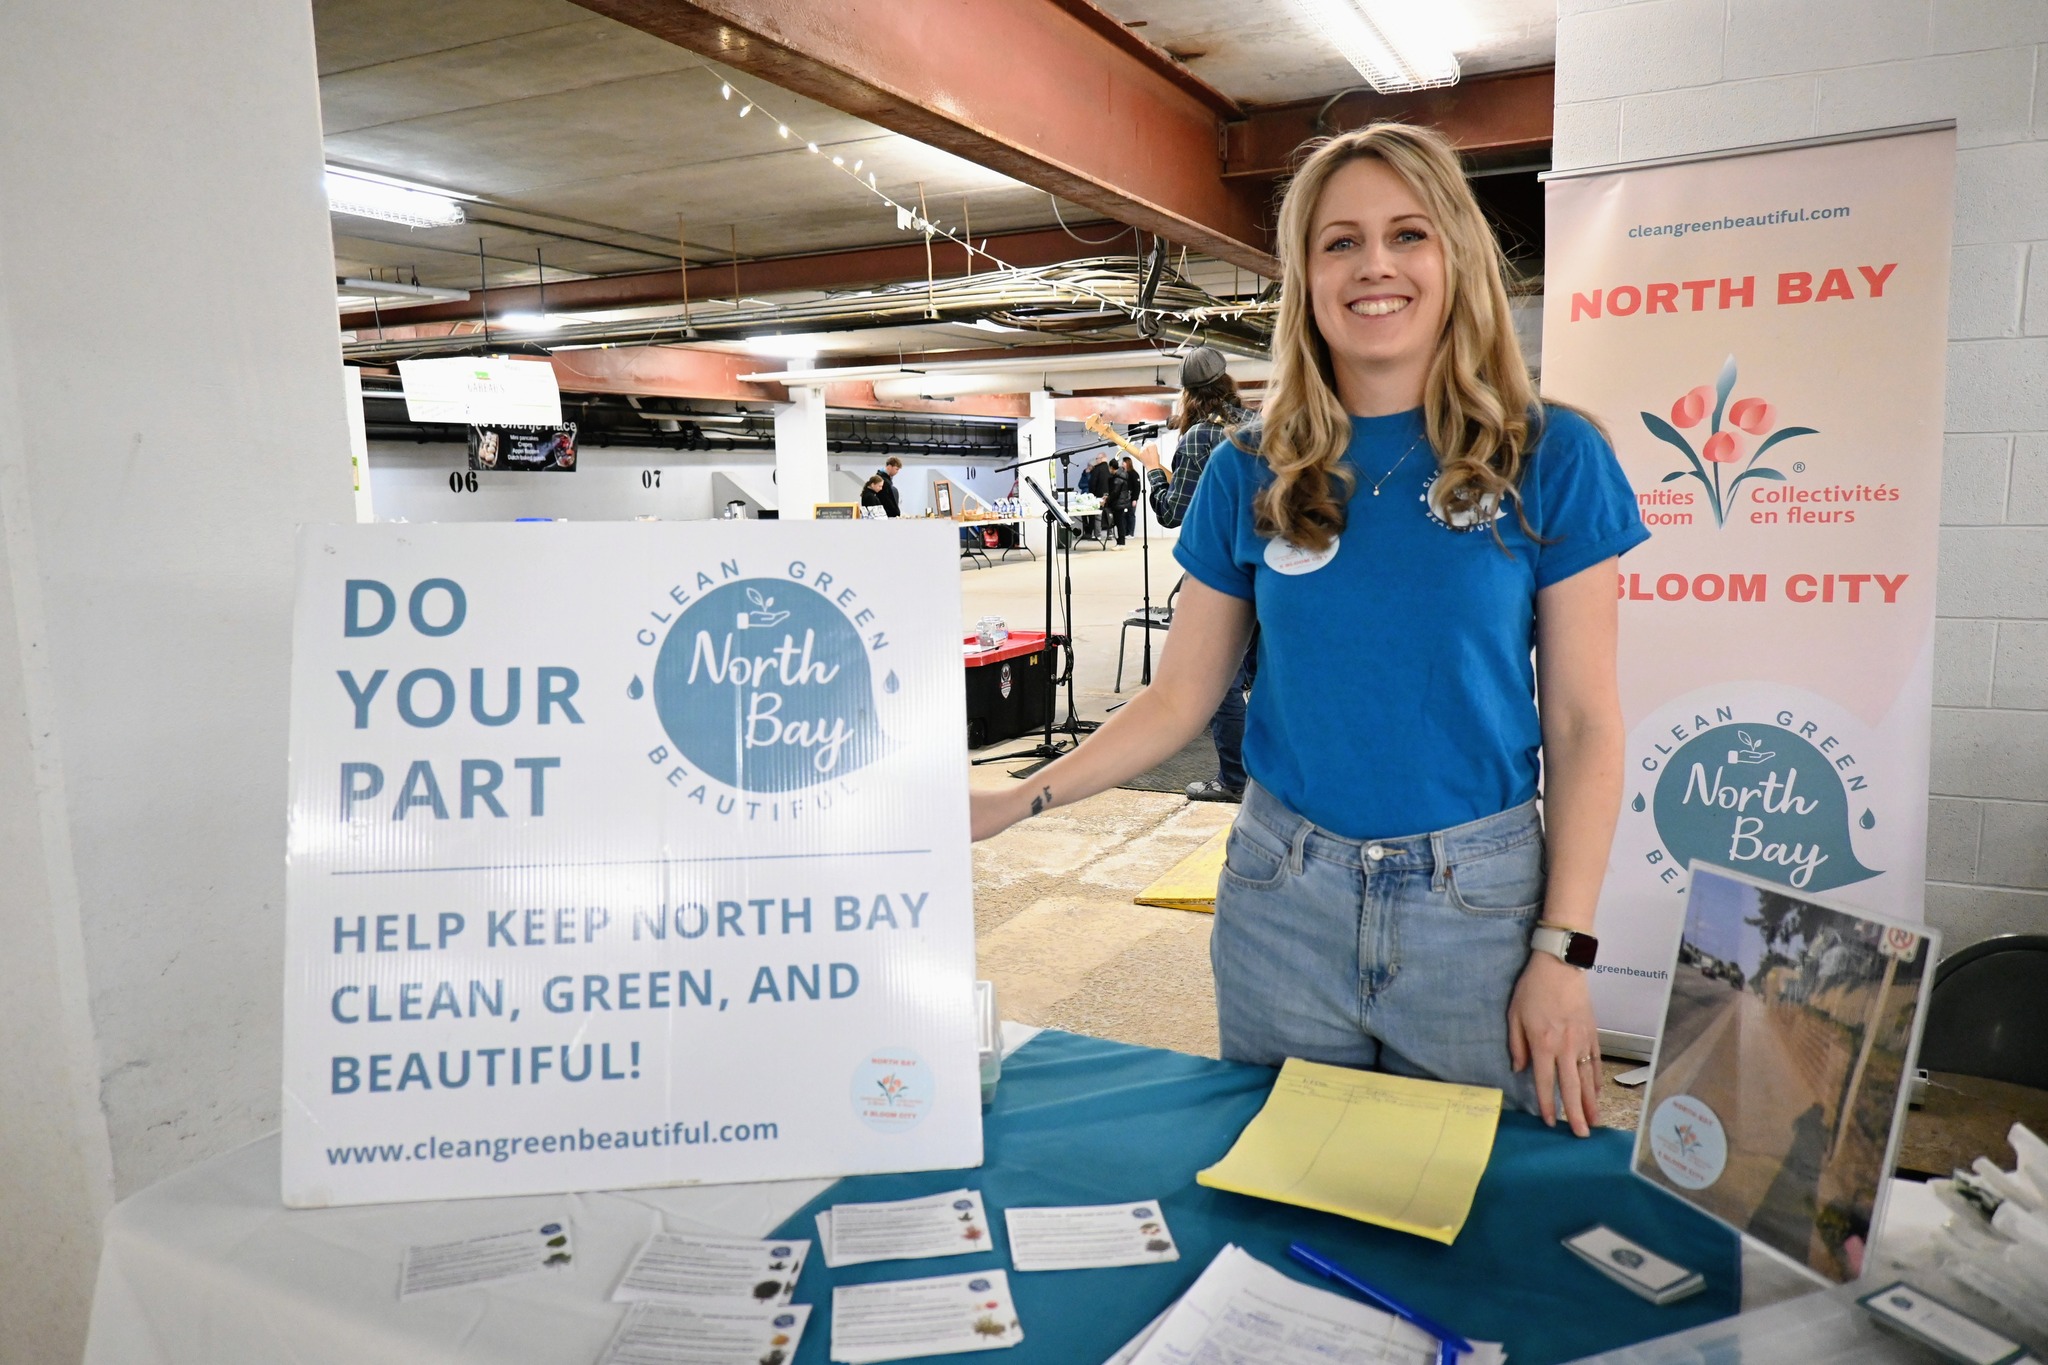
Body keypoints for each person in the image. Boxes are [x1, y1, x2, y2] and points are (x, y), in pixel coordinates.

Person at [971, 123, 1651, 1137]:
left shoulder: (1549, 455)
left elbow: (1587, 726)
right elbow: (1177, 699)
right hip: (1279, 896)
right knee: (1286, 1198)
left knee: (1469, 1209)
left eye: (1406, 234)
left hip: (1478, 907)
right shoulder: (1250, 468)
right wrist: (1014, 802)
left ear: (1454, 256)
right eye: (1338, 242)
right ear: (1303, 275)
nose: (1373, 265)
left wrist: (1562, 948)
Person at [1135, 346, 1256, 803]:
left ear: (1188, 394)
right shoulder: (1257, 426)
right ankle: (1267, 776)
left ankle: (1234, 780)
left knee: (1219, 682)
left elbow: (1171, 512)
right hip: (1268, 568)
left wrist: (1153, 473)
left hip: (1221, 577)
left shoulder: (1200, 438)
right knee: (1261, 675)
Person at [1103, 453, 1136, 546]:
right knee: (1120, 522)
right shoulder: (1123, 475)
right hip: (1122, 503)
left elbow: (1115, 493)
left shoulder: (1117, 479)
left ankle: (1121, 543)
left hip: (1119, 504)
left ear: (1111, 468)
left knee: (1120, 523)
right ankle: (1120, 542)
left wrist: (1107, 499)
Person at [1116, 457, 1142, 543]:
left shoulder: (1134, 474)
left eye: (1123, 462)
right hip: (1124, 498)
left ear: (1127, 463)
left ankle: (1131, 533)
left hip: (1131, 498)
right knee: (1123, 515)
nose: (1122, 464)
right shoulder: (1123, 474)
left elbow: (1137, 488)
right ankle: (1125, 533)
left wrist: (1135, 499)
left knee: (1131, 515)